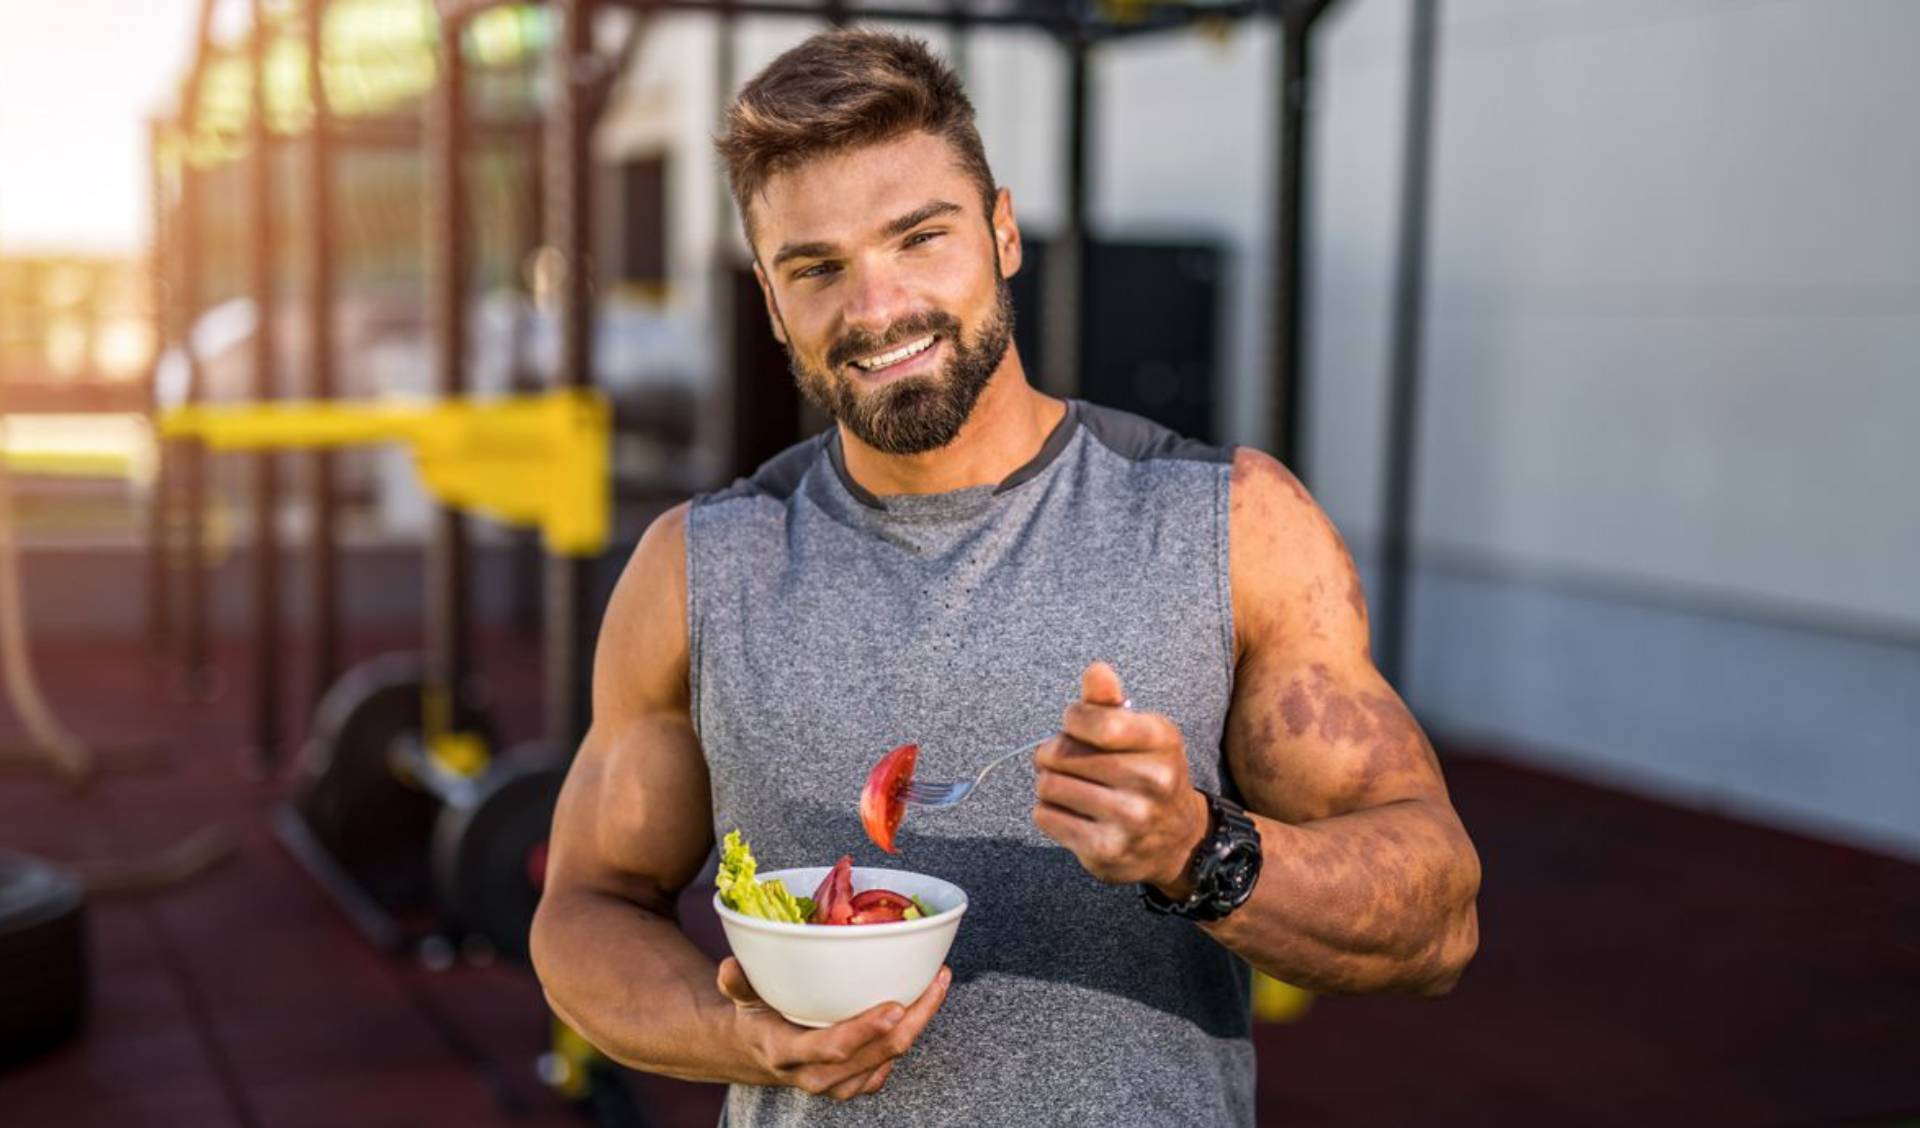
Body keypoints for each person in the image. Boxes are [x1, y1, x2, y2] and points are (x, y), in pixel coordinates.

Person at [530, 28, 1480, 1128]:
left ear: (1003, 232)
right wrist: (739, 1037)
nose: (878, 308)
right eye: (818, 267)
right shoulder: (700, 566)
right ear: (771, 299)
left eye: (919, 238)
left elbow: (1439, 921)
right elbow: (587, 908)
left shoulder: (1229, 524)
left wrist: (1195, 848)